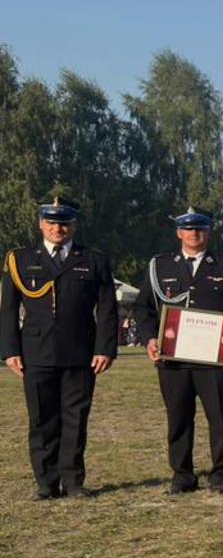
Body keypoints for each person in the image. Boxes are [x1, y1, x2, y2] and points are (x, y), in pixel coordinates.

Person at [1, 197, 118, 500]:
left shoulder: (93, 259)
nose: (58, 229)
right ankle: (46, 482)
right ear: (41, 224)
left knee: (75, 419)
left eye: (64, 223)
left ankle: (73, 481)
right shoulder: (20, 260)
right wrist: (10, 350)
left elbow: (107, 309)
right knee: (42, 420)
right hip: (35, 352)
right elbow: (8, 310)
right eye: (51, 223)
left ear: (73, 226)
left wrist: (105, 348)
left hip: (81, 352)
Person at [132, 207, 223, 494]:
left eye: (200, 228)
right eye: (188, 228)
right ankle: (182, 475)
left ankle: (222, 474)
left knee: (220, 419)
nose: (194, 233)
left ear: (209, 232)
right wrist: (149, 339)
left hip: (216, 361)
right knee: (178, 418)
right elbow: (144, 308)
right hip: (173, 360)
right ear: (178, 233)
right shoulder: (160, 266)